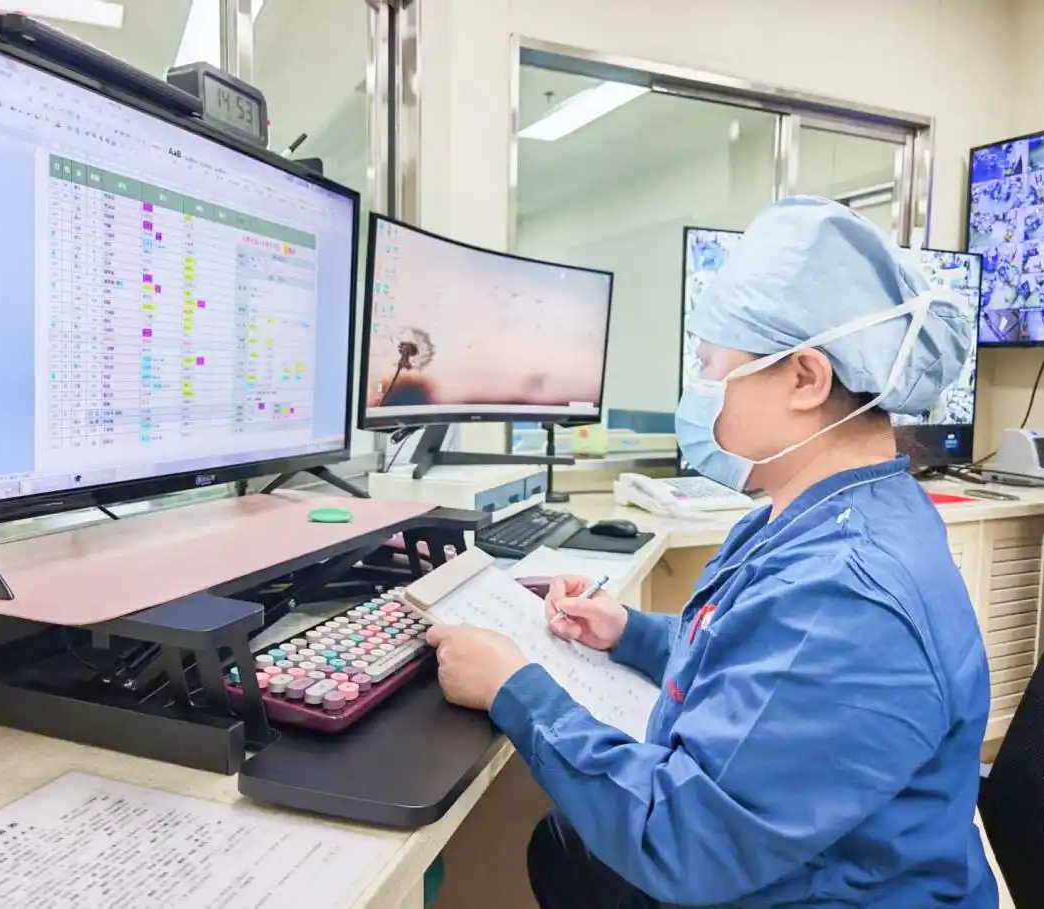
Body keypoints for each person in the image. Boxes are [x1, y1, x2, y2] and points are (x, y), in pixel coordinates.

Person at [425, 197, 998, 908]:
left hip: (815, 890)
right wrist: (629, 632)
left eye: (709, 365)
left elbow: (684, 841)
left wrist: (514, 689)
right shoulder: (827, 510)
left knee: (568, 847)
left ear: (805, 378)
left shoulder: (845, 594)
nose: (697, 393)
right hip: (793, 859)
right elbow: (755, 659)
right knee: (563, 843)